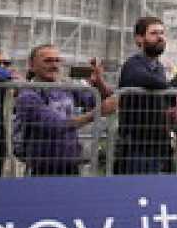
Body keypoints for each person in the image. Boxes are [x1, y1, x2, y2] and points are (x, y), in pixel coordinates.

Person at [14, 45, 116, 176]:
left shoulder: (65, 86)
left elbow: (100, 100)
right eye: (48, 61)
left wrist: (99, 81)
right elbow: (54, 124)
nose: (54, 65)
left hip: (71, 163)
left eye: (57, 60)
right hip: (42, 167)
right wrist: (96, 113)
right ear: (32, 65)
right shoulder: (27, 95)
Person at [115, 16, 177, 175]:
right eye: (154, 33)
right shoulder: (133, 64)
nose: (160, 37)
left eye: (162, 33)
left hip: (160, 145)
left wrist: (173, 107)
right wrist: (172, 91)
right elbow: (142, 78)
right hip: (137, 147)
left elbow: (163, 96)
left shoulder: (160, 68)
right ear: (139, 39)